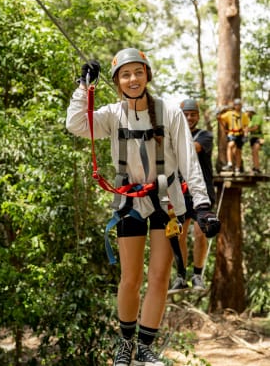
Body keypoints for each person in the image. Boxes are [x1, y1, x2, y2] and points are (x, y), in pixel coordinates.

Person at [66, 48, 219, 366]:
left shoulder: (170, 114)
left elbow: (189, 162)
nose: (132, 78)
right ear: (117, 81)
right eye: (125, 74)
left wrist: (202, 206)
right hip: (130, 200)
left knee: (160, 275)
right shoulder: (111, 114)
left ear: (147, 75)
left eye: (138, 72)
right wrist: (83, 87)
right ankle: (125, 344)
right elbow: (76, 124)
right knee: (130, 277)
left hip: (167, 202)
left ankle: (146, 347)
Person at [168, 99, 216, 294]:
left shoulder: (204, 136)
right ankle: (181, 276)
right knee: (178, 235)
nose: (189, 118)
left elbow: (192, 149)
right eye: (185, 114)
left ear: (197, 116)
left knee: (199, 233)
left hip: (200, 193)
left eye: (193, 114)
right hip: (180, 192)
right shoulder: (174, 135)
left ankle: (197, 275)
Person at [218, 98, 249, 174]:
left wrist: (245, 135)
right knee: (230, 145)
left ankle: (238, 168)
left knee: (238, 151)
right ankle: (229, 163)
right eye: (236, 105)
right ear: (234, 106)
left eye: (239, 104)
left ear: (241, 105)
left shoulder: (244, 115)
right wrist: (224, 128)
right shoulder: (229, 113)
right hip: (231, 133)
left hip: (240, 134)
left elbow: (246, 126)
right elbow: (219, 117)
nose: (238, 106)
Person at [245, 105, 264, 174]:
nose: (246, 113)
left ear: (251, 112)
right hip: (252, 138)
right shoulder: (250, 119)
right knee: (253, 153)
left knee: (255, 152)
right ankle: (255, 167)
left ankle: (257, 168)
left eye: (247, 112)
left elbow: (256, 127)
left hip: (259, 137)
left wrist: (247, 130)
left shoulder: (257, 117)